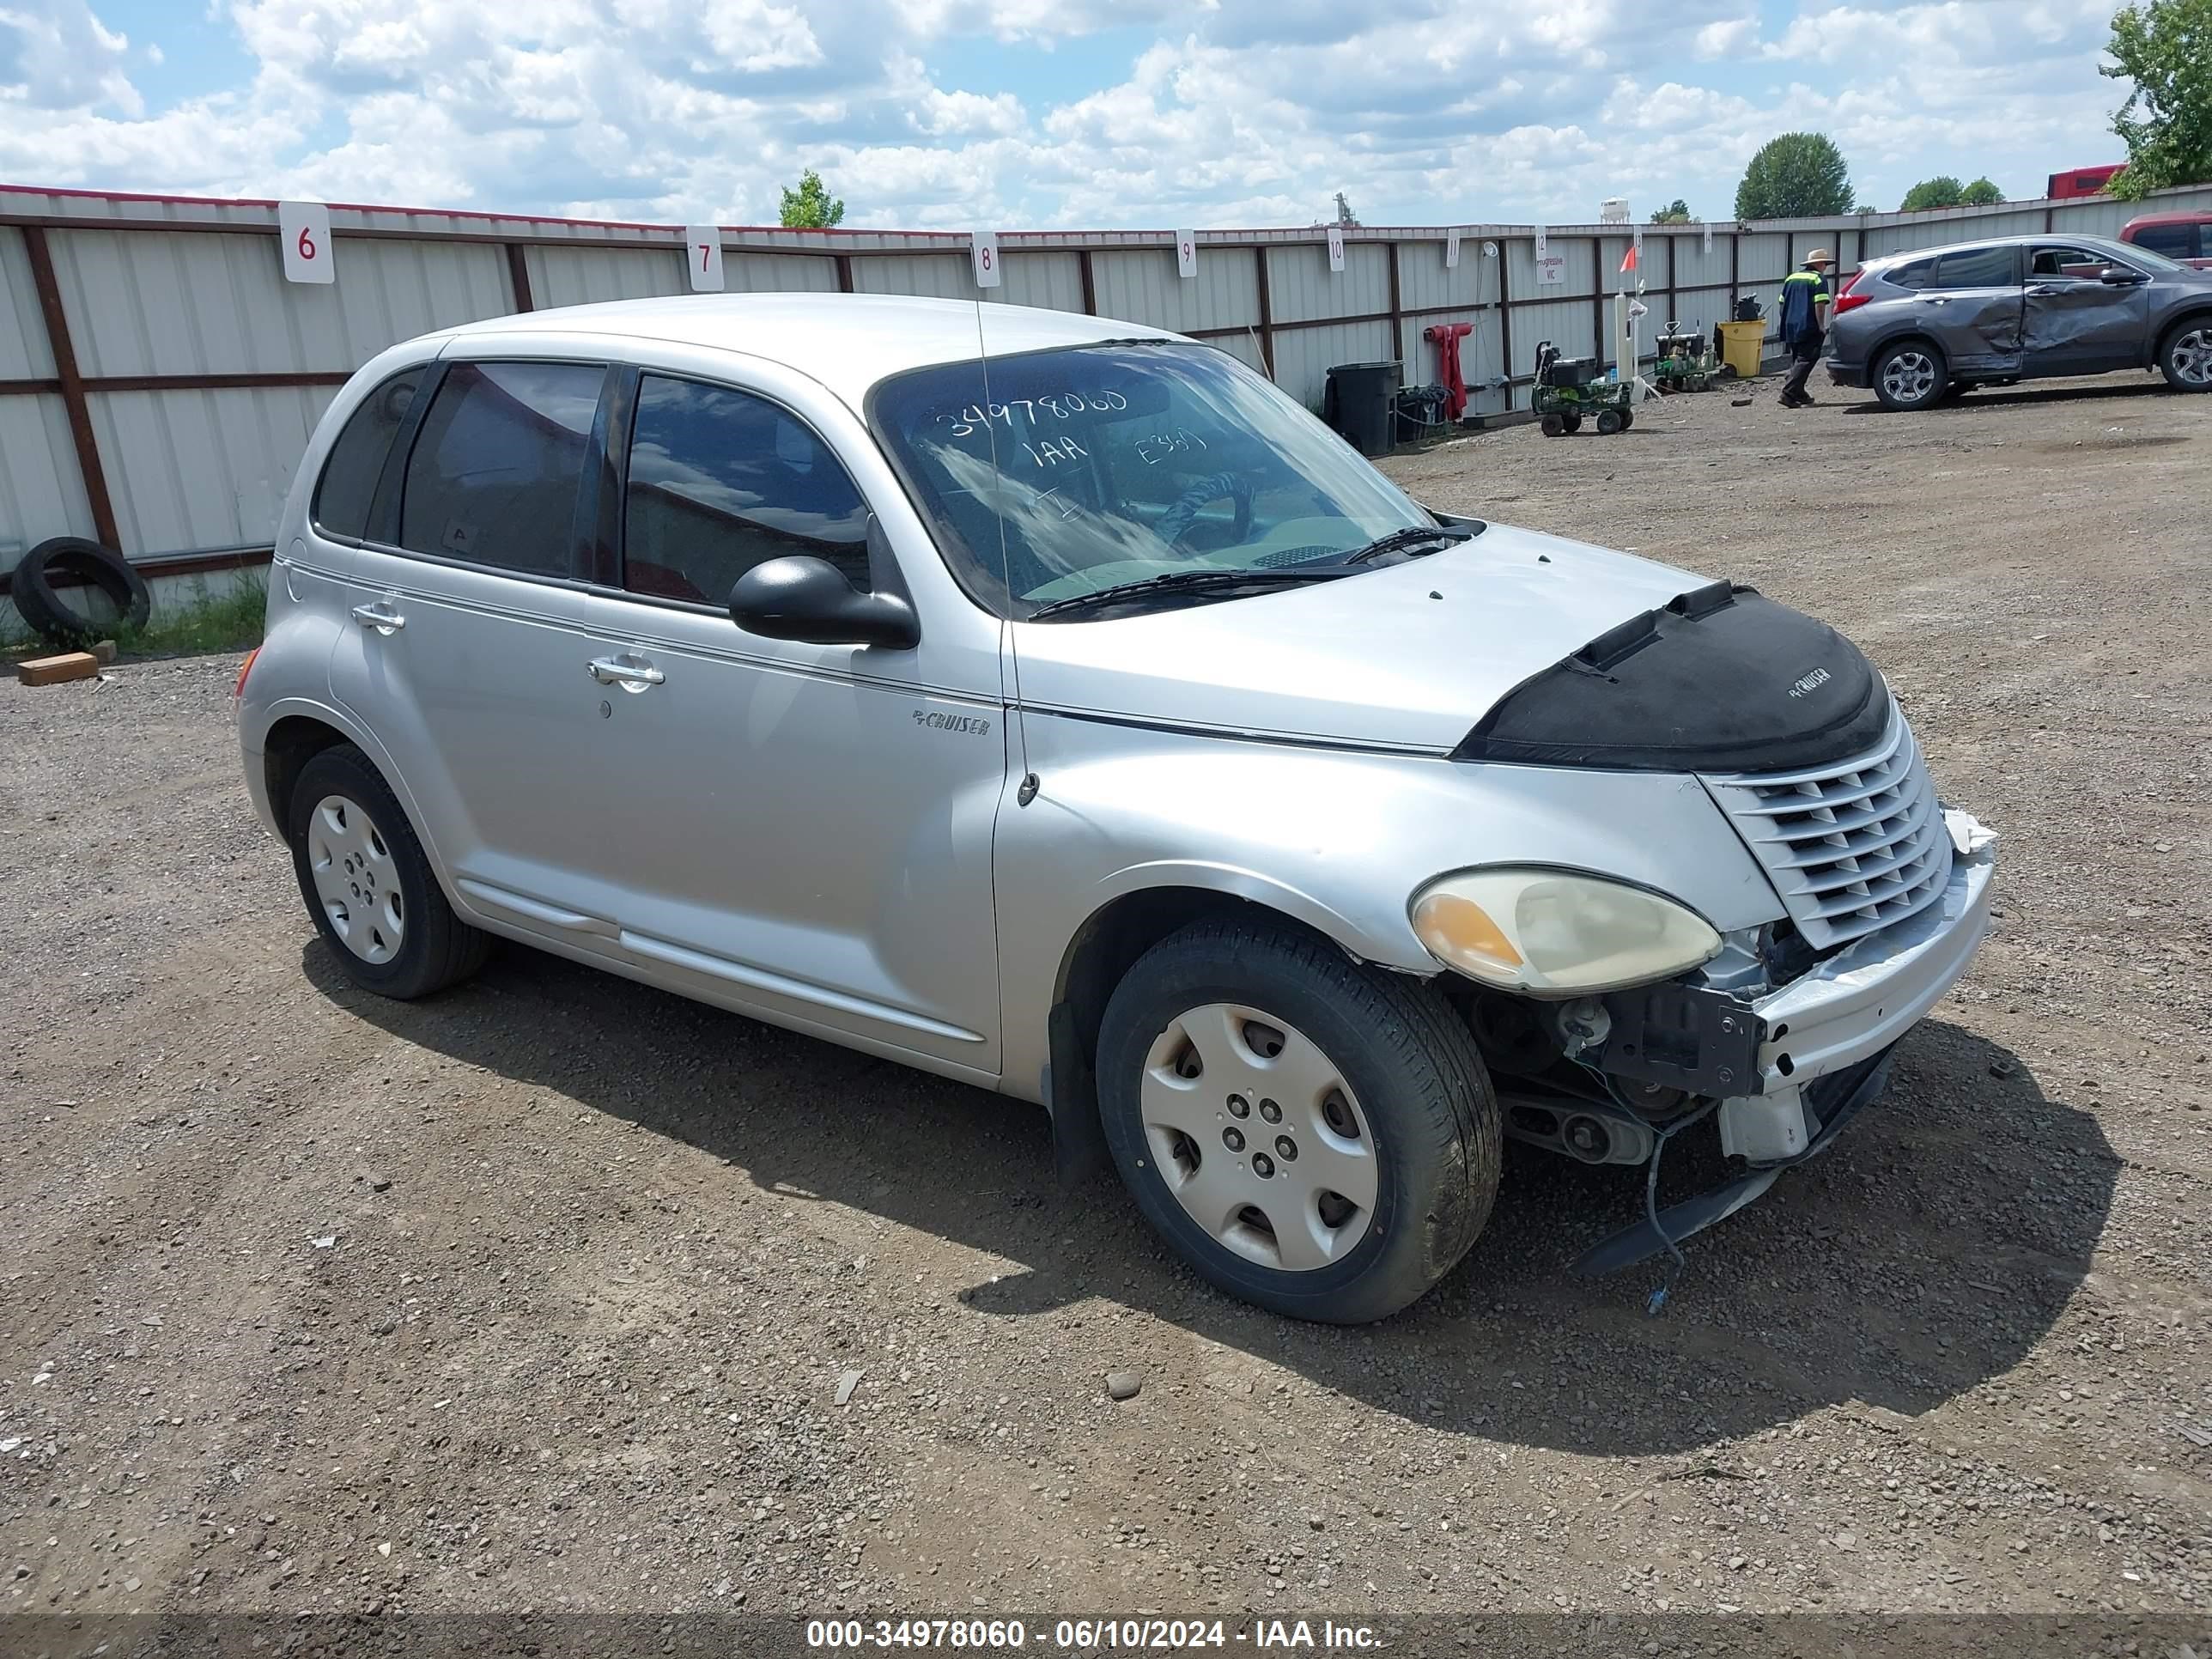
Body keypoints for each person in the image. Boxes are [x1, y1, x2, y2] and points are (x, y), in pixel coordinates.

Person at [1778, 249, 1834, 408]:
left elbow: (1782, 303)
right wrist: (1821, 325)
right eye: (1824, 263)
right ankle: (1788, 393)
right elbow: (1820, 304)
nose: (1825, 266)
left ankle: (1799, 393)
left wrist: (1786, 321)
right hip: (1808, 324)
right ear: (1817, 264)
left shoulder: (1792, 278)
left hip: (1790, 325)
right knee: (1807, 359)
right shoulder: (1818, 279)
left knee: (1797, 360)